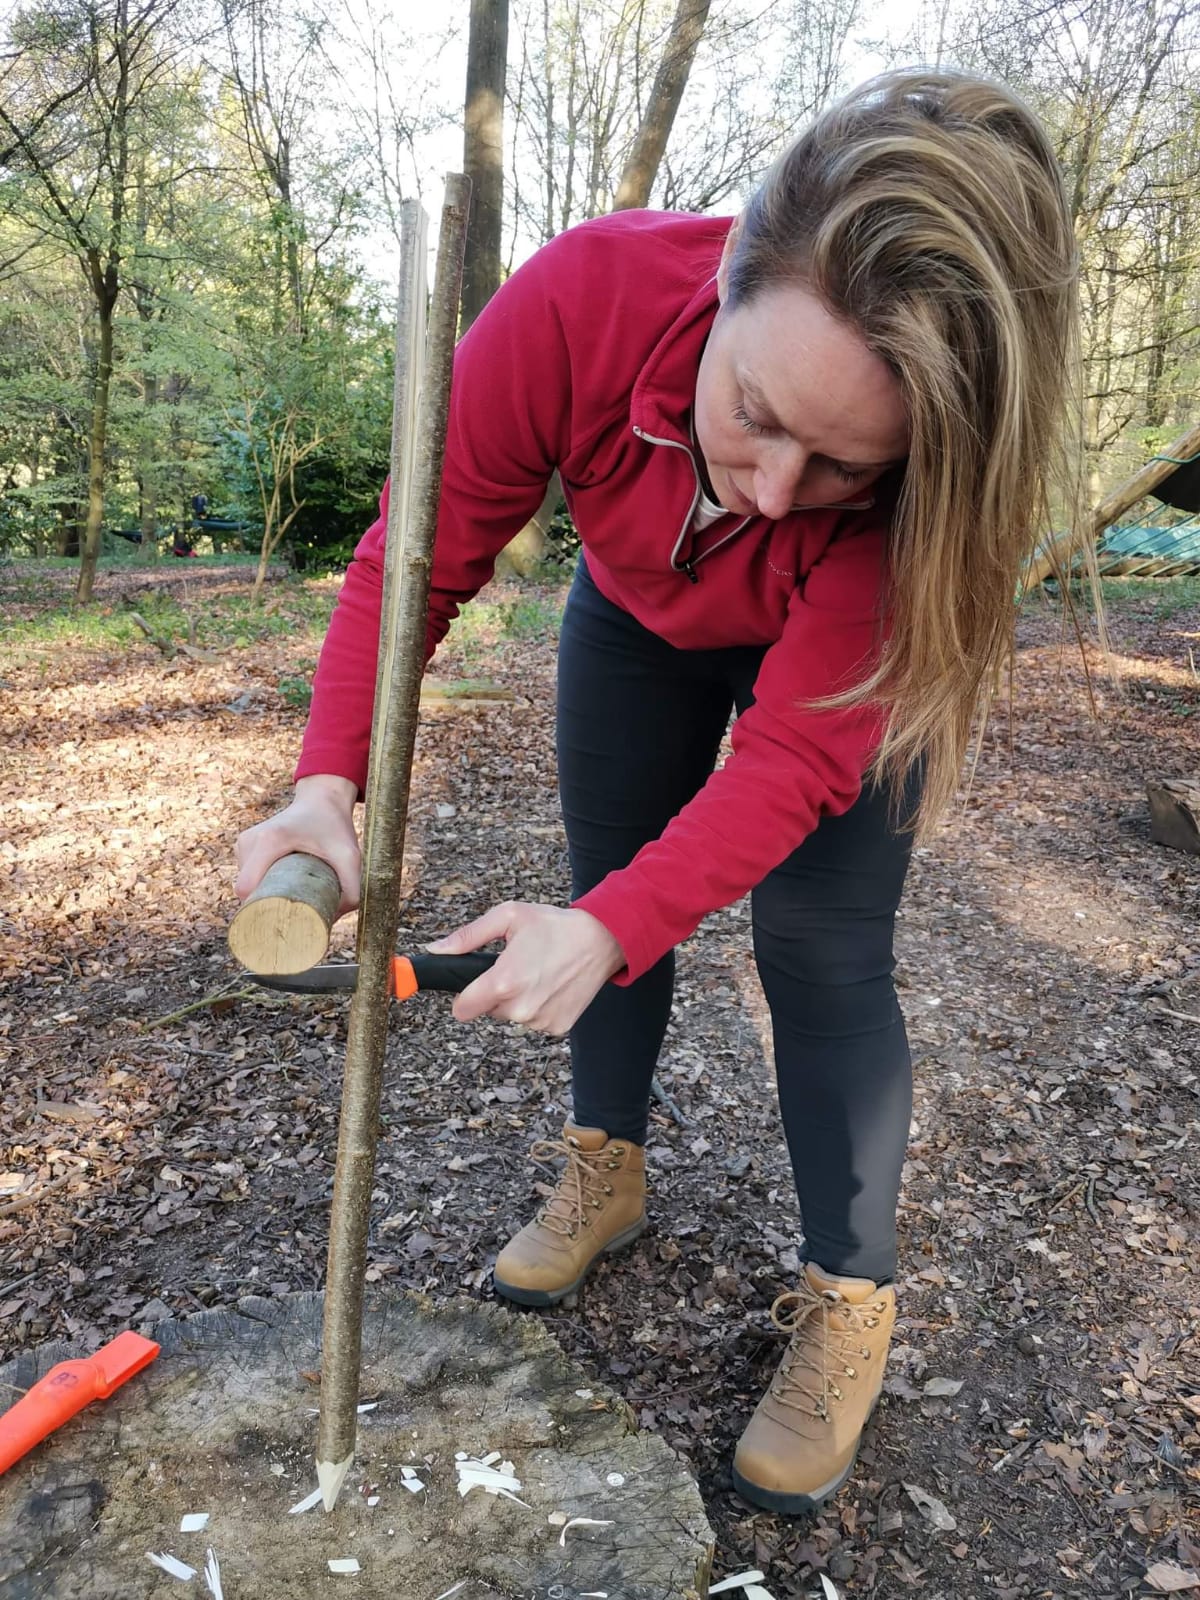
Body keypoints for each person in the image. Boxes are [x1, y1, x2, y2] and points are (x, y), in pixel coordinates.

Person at [235, 70, 1078, 1514]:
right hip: (637, 610)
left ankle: (849, 1300)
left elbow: (797, 761)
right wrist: (330, 786)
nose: (770, 487)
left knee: (819, 950)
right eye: (755, 413)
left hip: (845, 670)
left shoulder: (927, 502)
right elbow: (416, 558)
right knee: (606, 873)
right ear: (730, 269)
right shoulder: (583, 302)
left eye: (839, 467)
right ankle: (603, 1170)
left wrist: (623, 926)